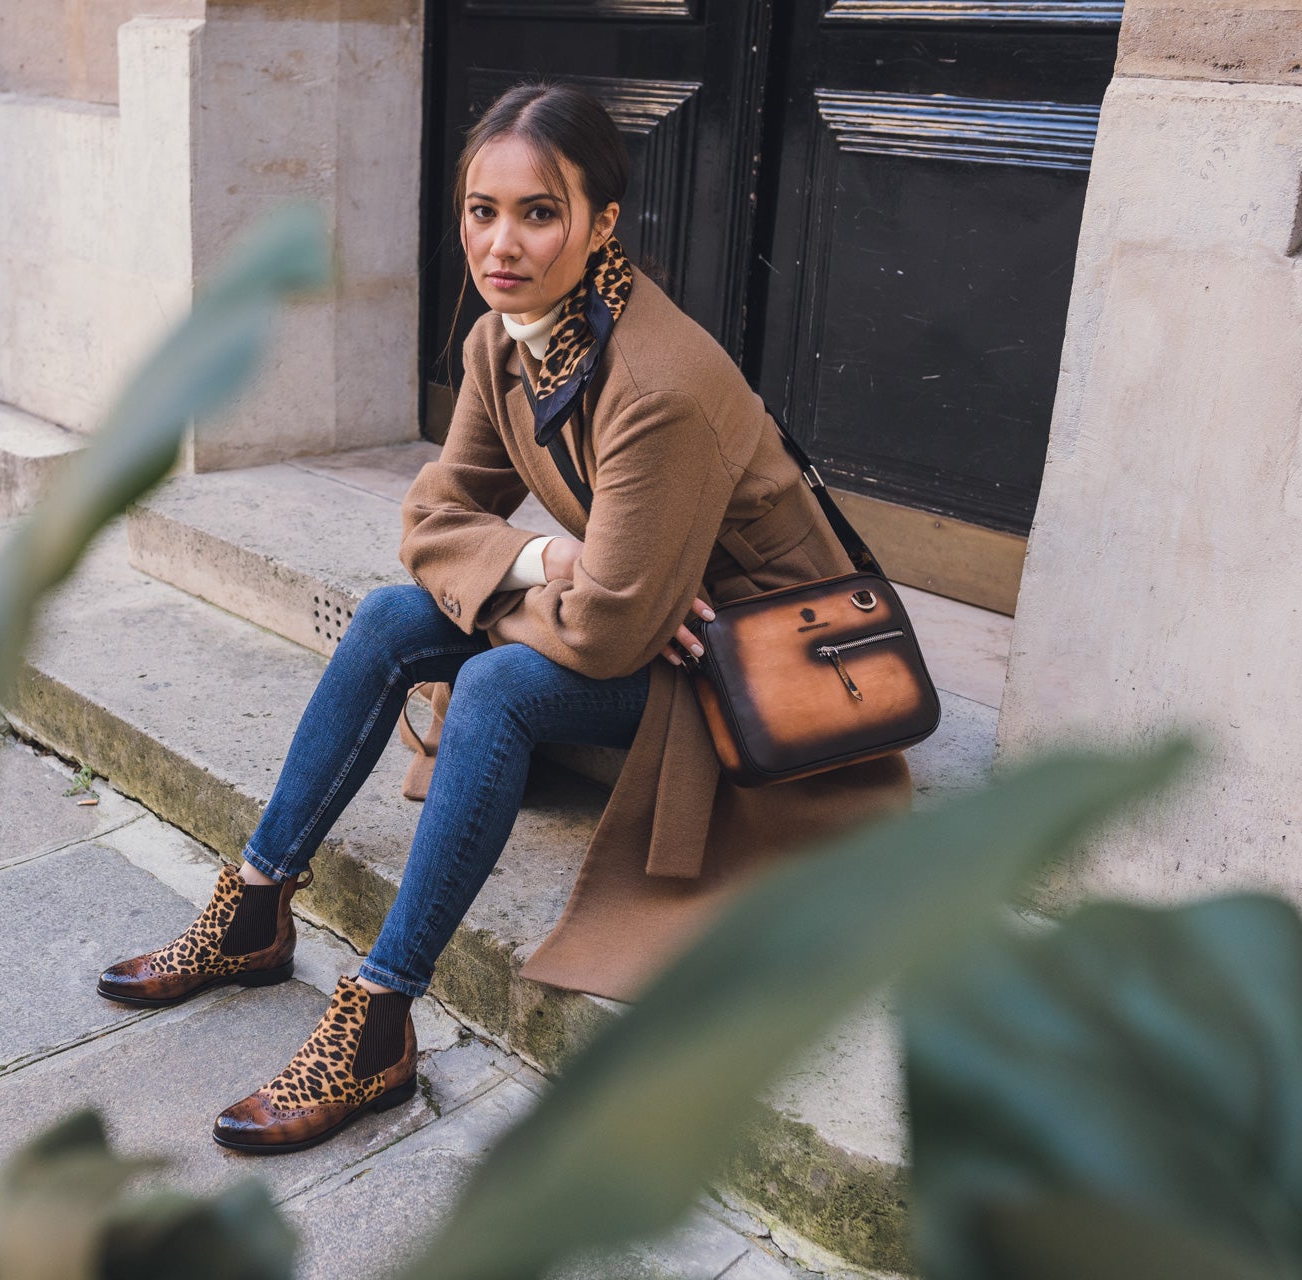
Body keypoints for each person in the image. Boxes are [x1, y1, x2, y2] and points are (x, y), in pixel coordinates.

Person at [96, 82, 911, 1155]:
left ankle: (380, 1017)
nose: (502, 242)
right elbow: (434, 517)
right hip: (634, 615)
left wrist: (583, 591)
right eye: (483, 210)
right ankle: (254, 904)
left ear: (601, 224)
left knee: (496, 683)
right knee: (393, 617)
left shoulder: (659, 382)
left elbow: (615, 632)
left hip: (746, 665)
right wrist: (543, 560)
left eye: (538, 211)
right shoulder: (504, 342)